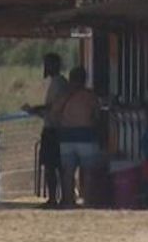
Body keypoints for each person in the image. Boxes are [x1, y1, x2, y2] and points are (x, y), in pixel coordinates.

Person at [52, 66, 101, 208]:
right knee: (88, 171)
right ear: (85, 79)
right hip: (86, 135)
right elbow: (97, 115)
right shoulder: (90, 96)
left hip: (66, 136)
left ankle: (69, 201)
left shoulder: (63, 95)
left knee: (68, 171)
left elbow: (54, 112)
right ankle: (88, 201)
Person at [29, 53, 70, 206]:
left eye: (48, 64)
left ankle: (54, 198)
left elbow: (53, 107)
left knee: (52, 165)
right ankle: (57, 197)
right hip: (52, 127)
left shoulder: (59, 83)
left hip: (53, 130)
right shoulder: (56, 82)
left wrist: (35, 109)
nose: (45, 67)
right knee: (54, 166)